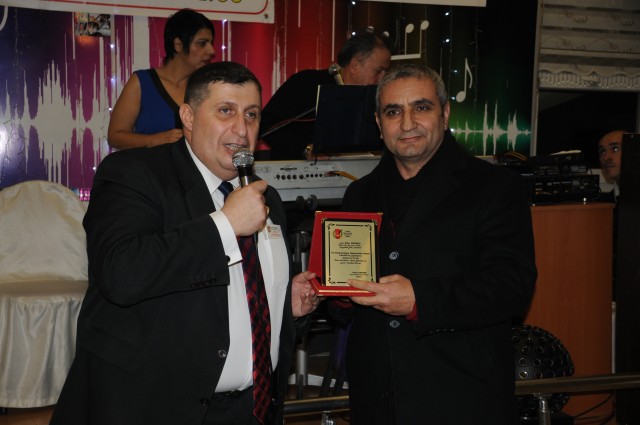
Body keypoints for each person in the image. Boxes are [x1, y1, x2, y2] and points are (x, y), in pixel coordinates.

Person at [50, 62, 321, 425]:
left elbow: (238, 294)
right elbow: (120, 274)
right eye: (225, 111)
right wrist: (225, 225)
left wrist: (285, 305)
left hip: (251, 410)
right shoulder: (133, 173)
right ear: (189, 117)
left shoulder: (264, 196)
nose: (242, 129)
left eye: (251, 114)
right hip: (155, 409)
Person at [335, 63, 537, 424]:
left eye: (421, 107)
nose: (407, 123)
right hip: (375, 400)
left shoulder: (495, 187)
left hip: (460, 398)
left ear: (444, 114)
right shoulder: (358, 194)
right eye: (393, 112)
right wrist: (333, 293)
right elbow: (345, 303)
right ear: (379, 123)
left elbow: (512, 287)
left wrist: (420, 300)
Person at [259, 30, 392, 160]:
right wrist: (304, 148)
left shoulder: (377, 97)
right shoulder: (306, 83)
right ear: (355, 65)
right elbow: (267, 124)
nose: (383, 78)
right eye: (379, 71)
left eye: (386, 72)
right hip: (298, 168)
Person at [107, 9, 215, 149]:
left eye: (211, 43)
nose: (212, 51)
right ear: (178, 45)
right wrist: (154, 140)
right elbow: (115, 137)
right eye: (202, 43)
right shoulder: (142, 82)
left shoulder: (207, 87)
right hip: (147, 163)